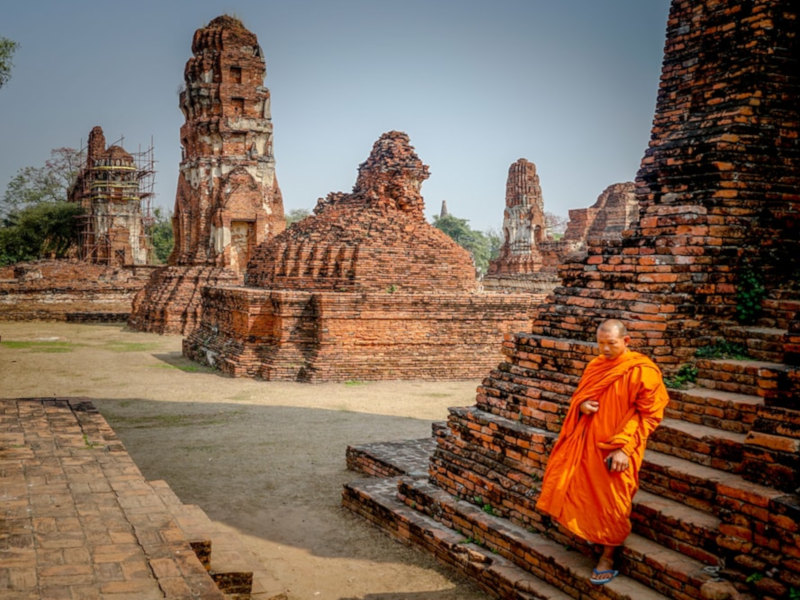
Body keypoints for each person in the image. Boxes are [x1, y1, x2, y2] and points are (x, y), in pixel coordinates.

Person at [535, 319, 669, 585]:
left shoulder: (643, 371)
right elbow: (580, 397)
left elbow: (649, 416)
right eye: (601, 344)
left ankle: (607, 556)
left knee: (614, 501)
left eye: (612, 344)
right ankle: (591, 535)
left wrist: (624, 448)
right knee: (579, 488)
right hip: (589, 441)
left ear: (626, 341)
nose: (605, 349)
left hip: (618, 447)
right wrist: (582, 405)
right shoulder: (596, 365)